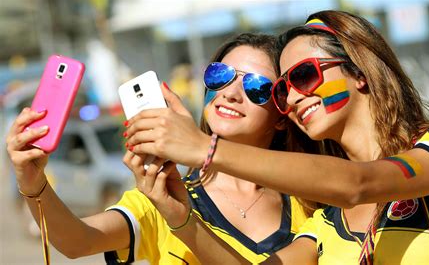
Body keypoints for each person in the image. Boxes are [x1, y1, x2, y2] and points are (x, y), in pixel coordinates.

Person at [123, 10, 429, 264]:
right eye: (280, 91)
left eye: (304, 75)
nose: (290, 99)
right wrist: (180, 218)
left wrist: (203, 148)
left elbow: (360, 184)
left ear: (360, 72)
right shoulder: (324, 223)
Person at [5, 33, 314, 264]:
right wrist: (34, 186)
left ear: (281, 118)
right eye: (220, 76)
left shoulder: (311, 197)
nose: (230, 94)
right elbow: (76, 241)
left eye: (256, 87)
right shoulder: (161, 195)